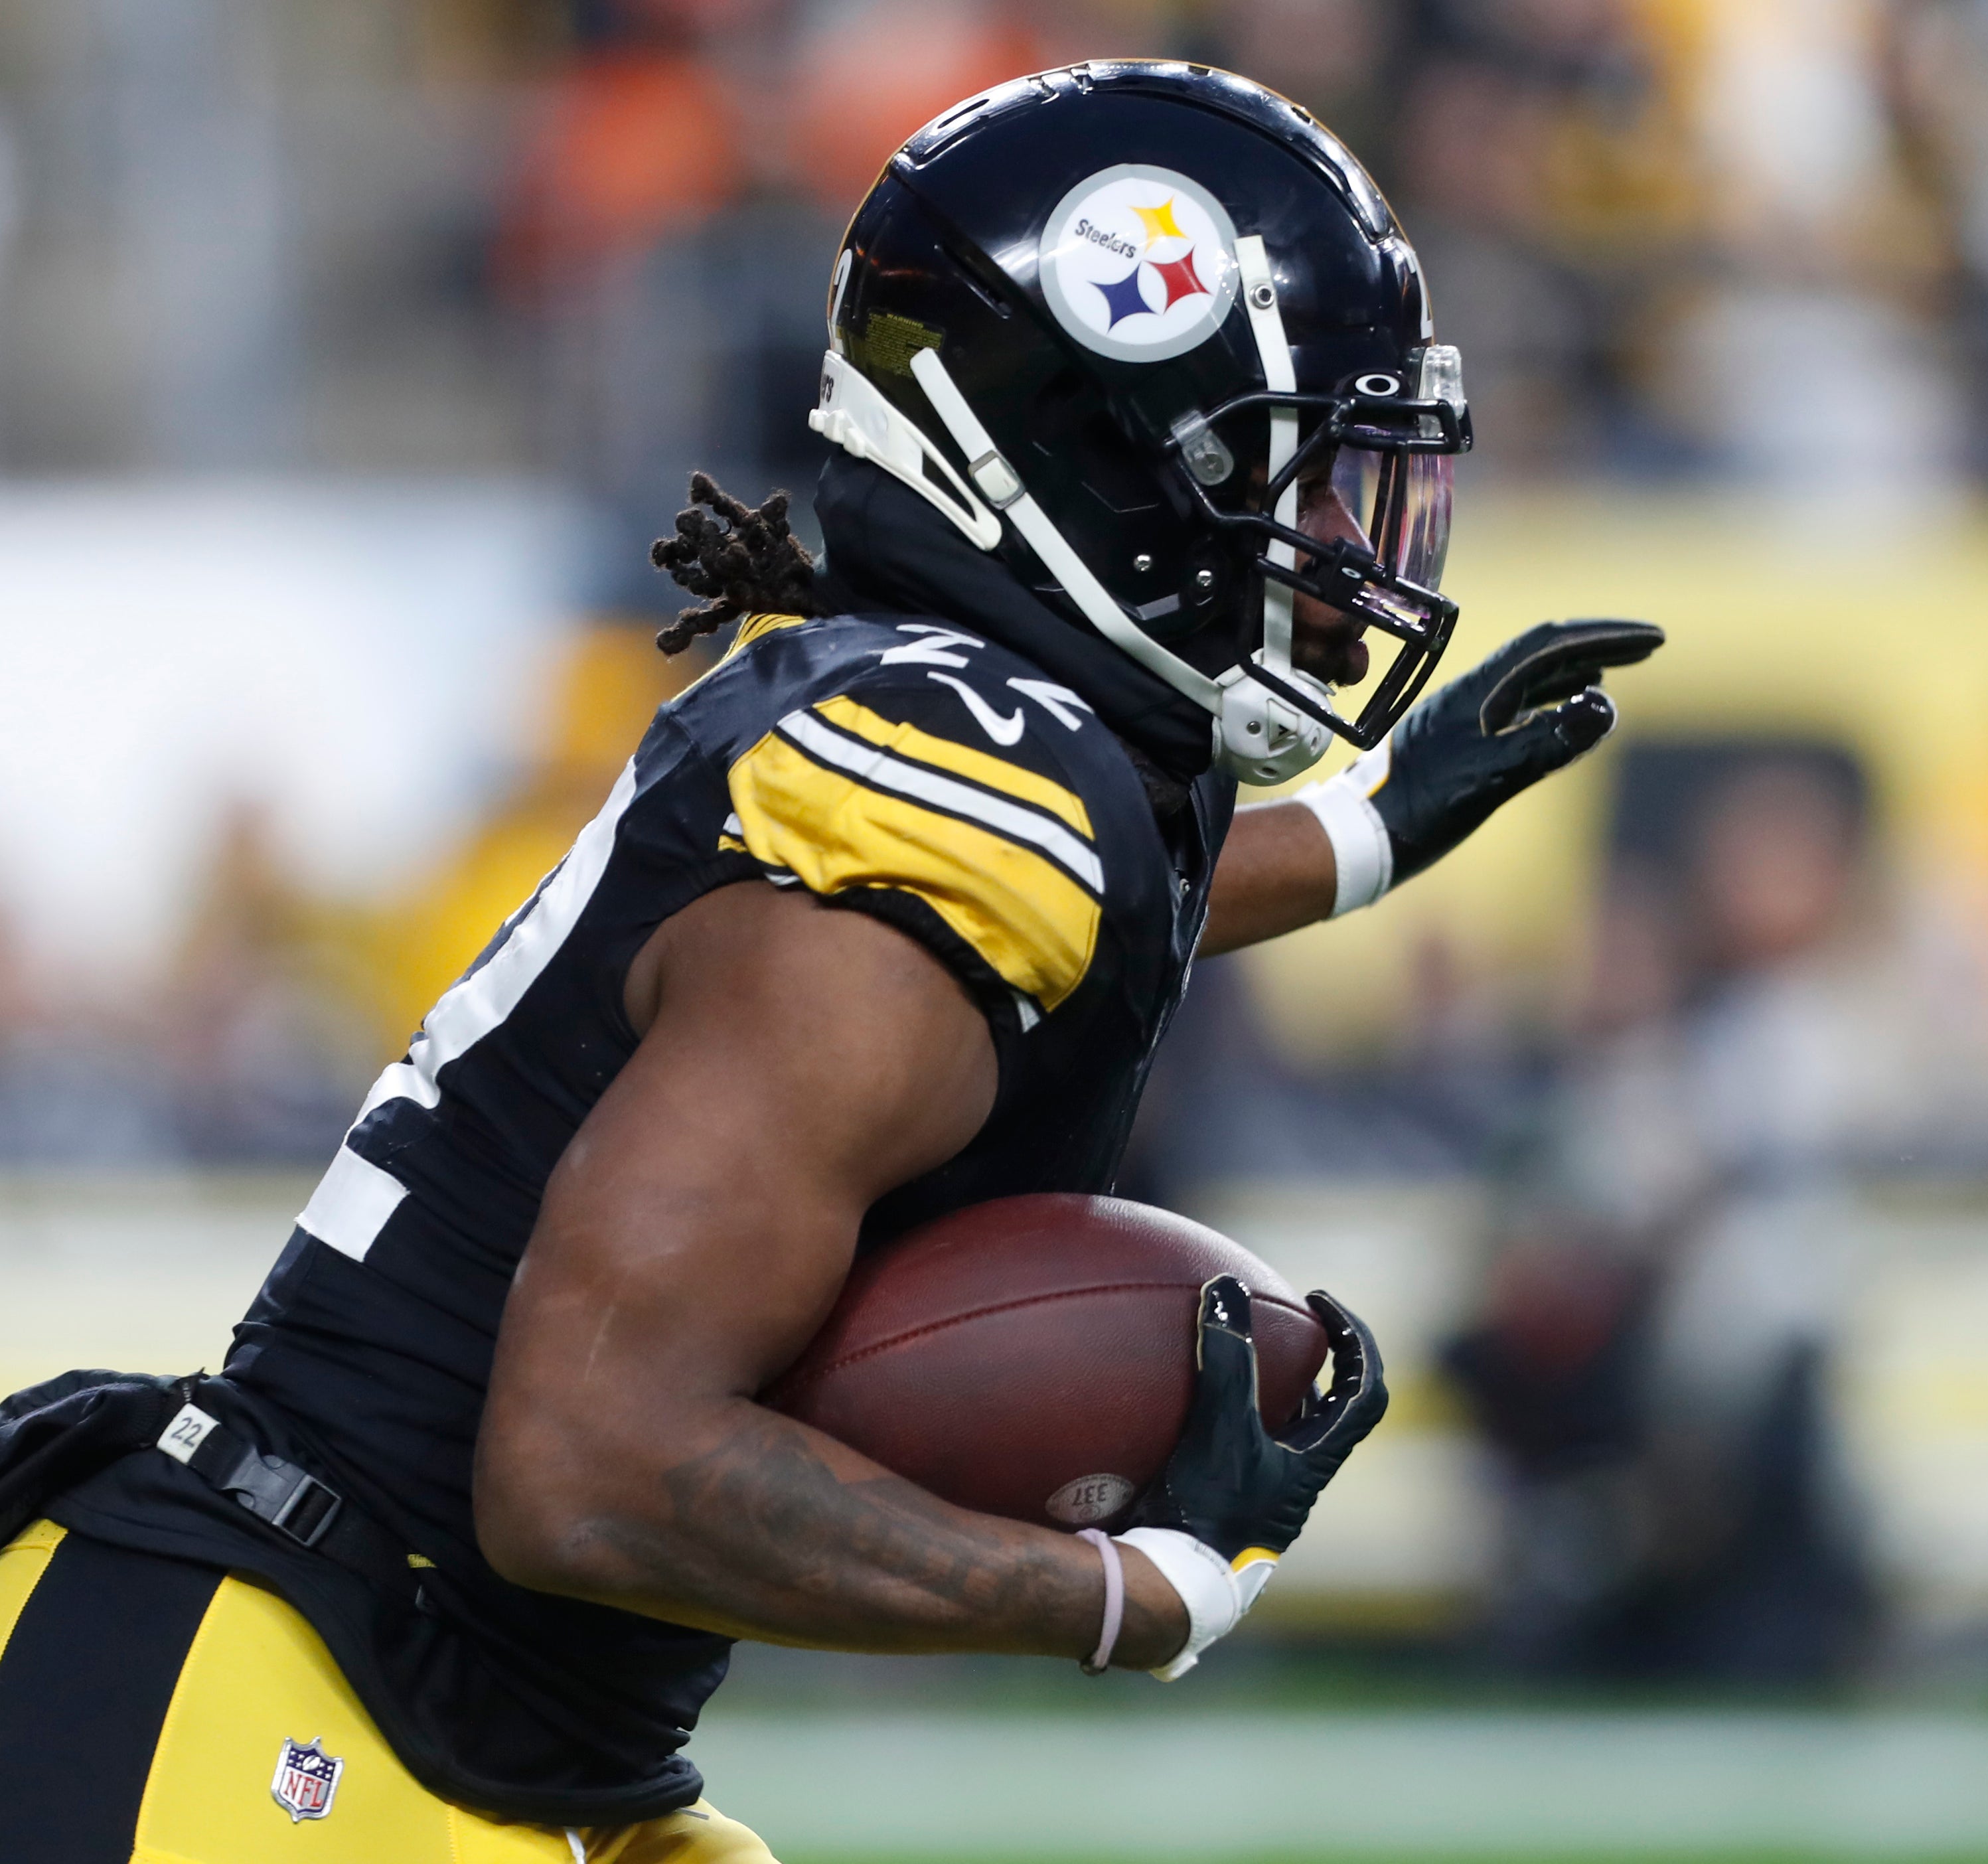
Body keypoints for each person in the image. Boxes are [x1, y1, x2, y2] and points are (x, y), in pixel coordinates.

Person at [0, 64, 1657, 1864]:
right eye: (1296, 484)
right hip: (288, 1718)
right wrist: (1110, 1596)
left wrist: (1362, 837)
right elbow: (587, 1469)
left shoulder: (947, 759)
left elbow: (1029, 951)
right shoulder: (930, 835)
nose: (1345, 561)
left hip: (472, 1713)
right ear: (1091, 462)